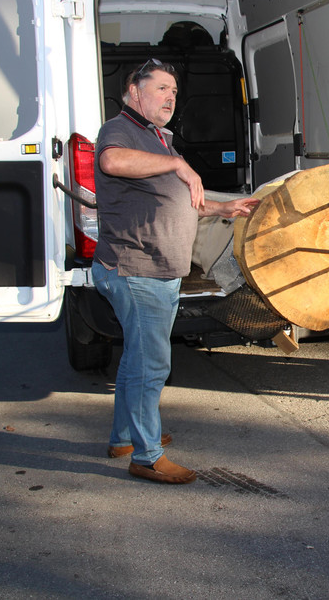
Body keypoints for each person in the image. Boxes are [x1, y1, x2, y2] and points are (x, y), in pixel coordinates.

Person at [92, 58, 258, 484]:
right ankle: (147, 456)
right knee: (151, 365)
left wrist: (223, 208)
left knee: (138, 360)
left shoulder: (159, 138)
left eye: (174, 91)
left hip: (161, 269)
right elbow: (111, 162)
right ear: (135, 91)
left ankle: (125, 437)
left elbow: (182, 200)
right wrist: (177, 165)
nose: (170, 98)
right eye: (161, 88)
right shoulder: (119, 130)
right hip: (136, 268)